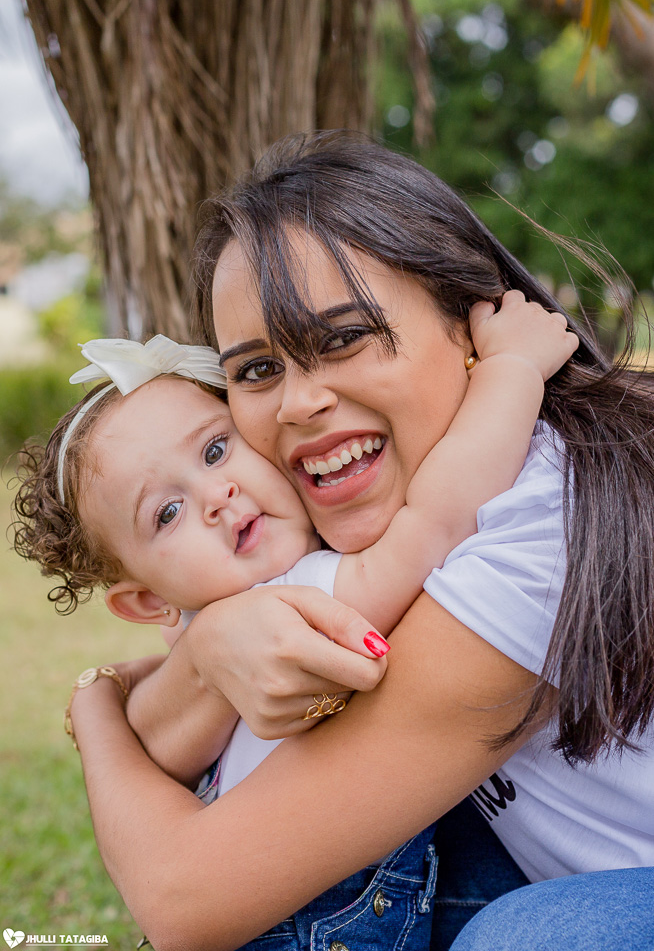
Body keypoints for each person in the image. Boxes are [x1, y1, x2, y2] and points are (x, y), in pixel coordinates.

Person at [62, 132, 654, 951]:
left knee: (529, 940)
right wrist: (204, 655)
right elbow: (170, 732)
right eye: (257, 371)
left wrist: (94, 707)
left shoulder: (537, 522)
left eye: (342, 337)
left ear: (470, 321)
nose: (298, 404)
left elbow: (184, 898)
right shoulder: (339, 528)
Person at [14, 298, 574, 950]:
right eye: (167, 513)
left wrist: (103, 700)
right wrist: (512, 370)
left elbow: (162, 749)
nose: (216, 496)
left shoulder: (203, 627)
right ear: (146, 602)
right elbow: (438, 517)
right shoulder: (300, 595)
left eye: (216, 450)